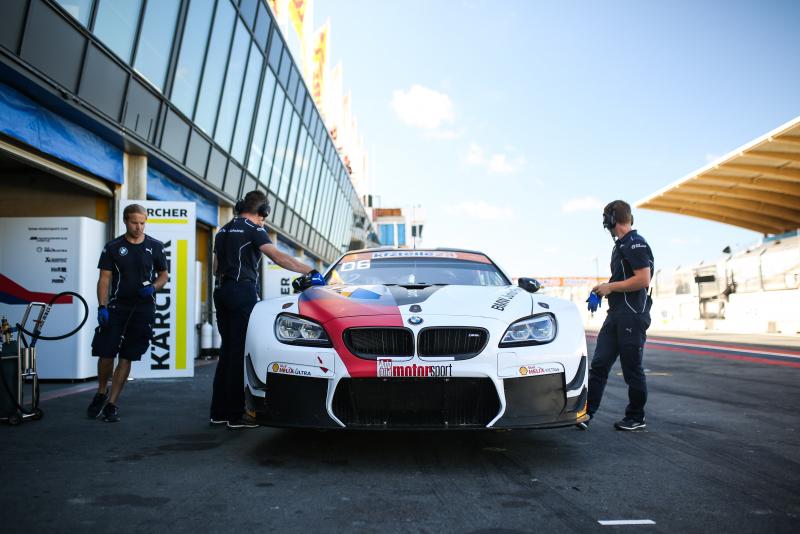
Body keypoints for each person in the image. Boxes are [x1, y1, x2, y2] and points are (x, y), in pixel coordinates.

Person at [211, 190, 324, 429]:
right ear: (263, 211)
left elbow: (215, 267)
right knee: (240, 351)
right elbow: (279, 257)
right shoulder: (254, 229)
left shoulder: (222, 230)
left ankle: (218, 412)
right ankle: (235, 415)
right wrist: (310, 271)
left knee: (227, 350)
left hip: (221, 292)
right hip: (242, 292)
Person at [87, 204, 168, 422]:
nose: (139, 227)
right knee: (106, 354)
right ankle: (101, 392)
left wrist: (154, 287)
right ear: (125, 221)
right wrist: (102, 306)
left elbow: (163, 275)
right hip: (117, 307)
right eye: (134, 223)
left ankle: (112, 404)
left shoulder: (156, 246)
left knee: (127, 356)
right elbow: (104, 279)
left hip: (143, 309)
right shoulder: (113, 247)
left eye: (142, 223)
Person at [586, 200, 654, 431]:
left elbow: (643, 279)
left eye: (605, 218)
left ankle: (636, 417)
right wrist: (602, 289)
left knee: (632, 369)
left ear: (612, 219)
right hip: (616, 314)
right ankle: (586, 412)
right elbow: (623, 279)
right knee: (599, 364)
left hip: (632, 315)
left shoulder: (635, 243)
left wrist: (611, 287)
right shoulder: (621, 246)